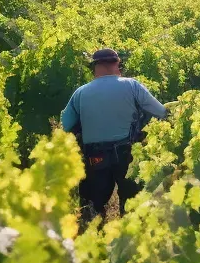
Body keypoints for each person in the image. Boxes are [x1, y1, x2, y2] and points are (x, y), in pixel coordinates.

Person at [61, 48, 169, 222]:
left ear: (95, 67)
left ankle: (95, 236)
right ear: (116, 64)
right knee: (132, 202)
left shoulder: (80, 93)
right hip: (128, 152)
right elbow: (161, 111)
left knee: (93, 204)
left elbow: (66, 124)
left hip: (95, 155)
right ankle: (129, 235)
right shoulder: (132, 85)